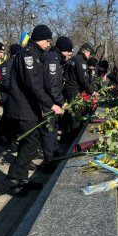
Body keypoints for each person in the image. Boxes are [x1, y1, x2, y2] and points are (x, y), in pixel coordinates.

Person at [3, 24, 62, 196]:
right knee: (30, 143)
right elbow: (33, 85)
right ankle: (13, 178)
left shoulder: (37, 55)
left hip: (30, 107)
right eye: (47, 40)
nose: (49, 44)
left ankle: (22, 178)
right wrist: (51, 104)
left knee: (30, 142)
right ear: (38, 38)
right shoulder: (27, 55)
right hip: (23, 108)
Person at [39, 36, 73, 173]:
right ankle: (48, 162)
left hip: (53, 102)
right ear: (63, 50)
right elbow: (52, 86)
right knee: (48, 131)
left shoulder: (57, 59)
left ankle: (53, 154)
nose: (70, 55)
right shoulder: (52, 60)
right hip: (48, 103)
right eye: (69, 52)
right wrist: (61, 102)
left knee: (54, 128)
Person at [62, 43, 95, 142]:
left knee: (67, 115)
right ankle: (73, 140)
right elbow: (83, 80)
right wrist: (91, 91)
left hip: (67, 90)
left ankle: (65, 138)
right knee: (75, 116)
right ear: (85, 51)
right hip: (74, 91)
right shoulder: (81, 61)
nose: (90, 56)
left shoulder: (72, 59)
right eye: (90, 53)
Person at [0, 44, 23, 151]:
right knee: (9, 119)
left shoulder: (16, 63)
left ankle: (2, 138)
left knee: (7, 119)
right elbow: (5, 81)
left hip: (13, 95)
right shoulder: (8, 65)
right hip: (7, 95)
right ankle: (8, 141)